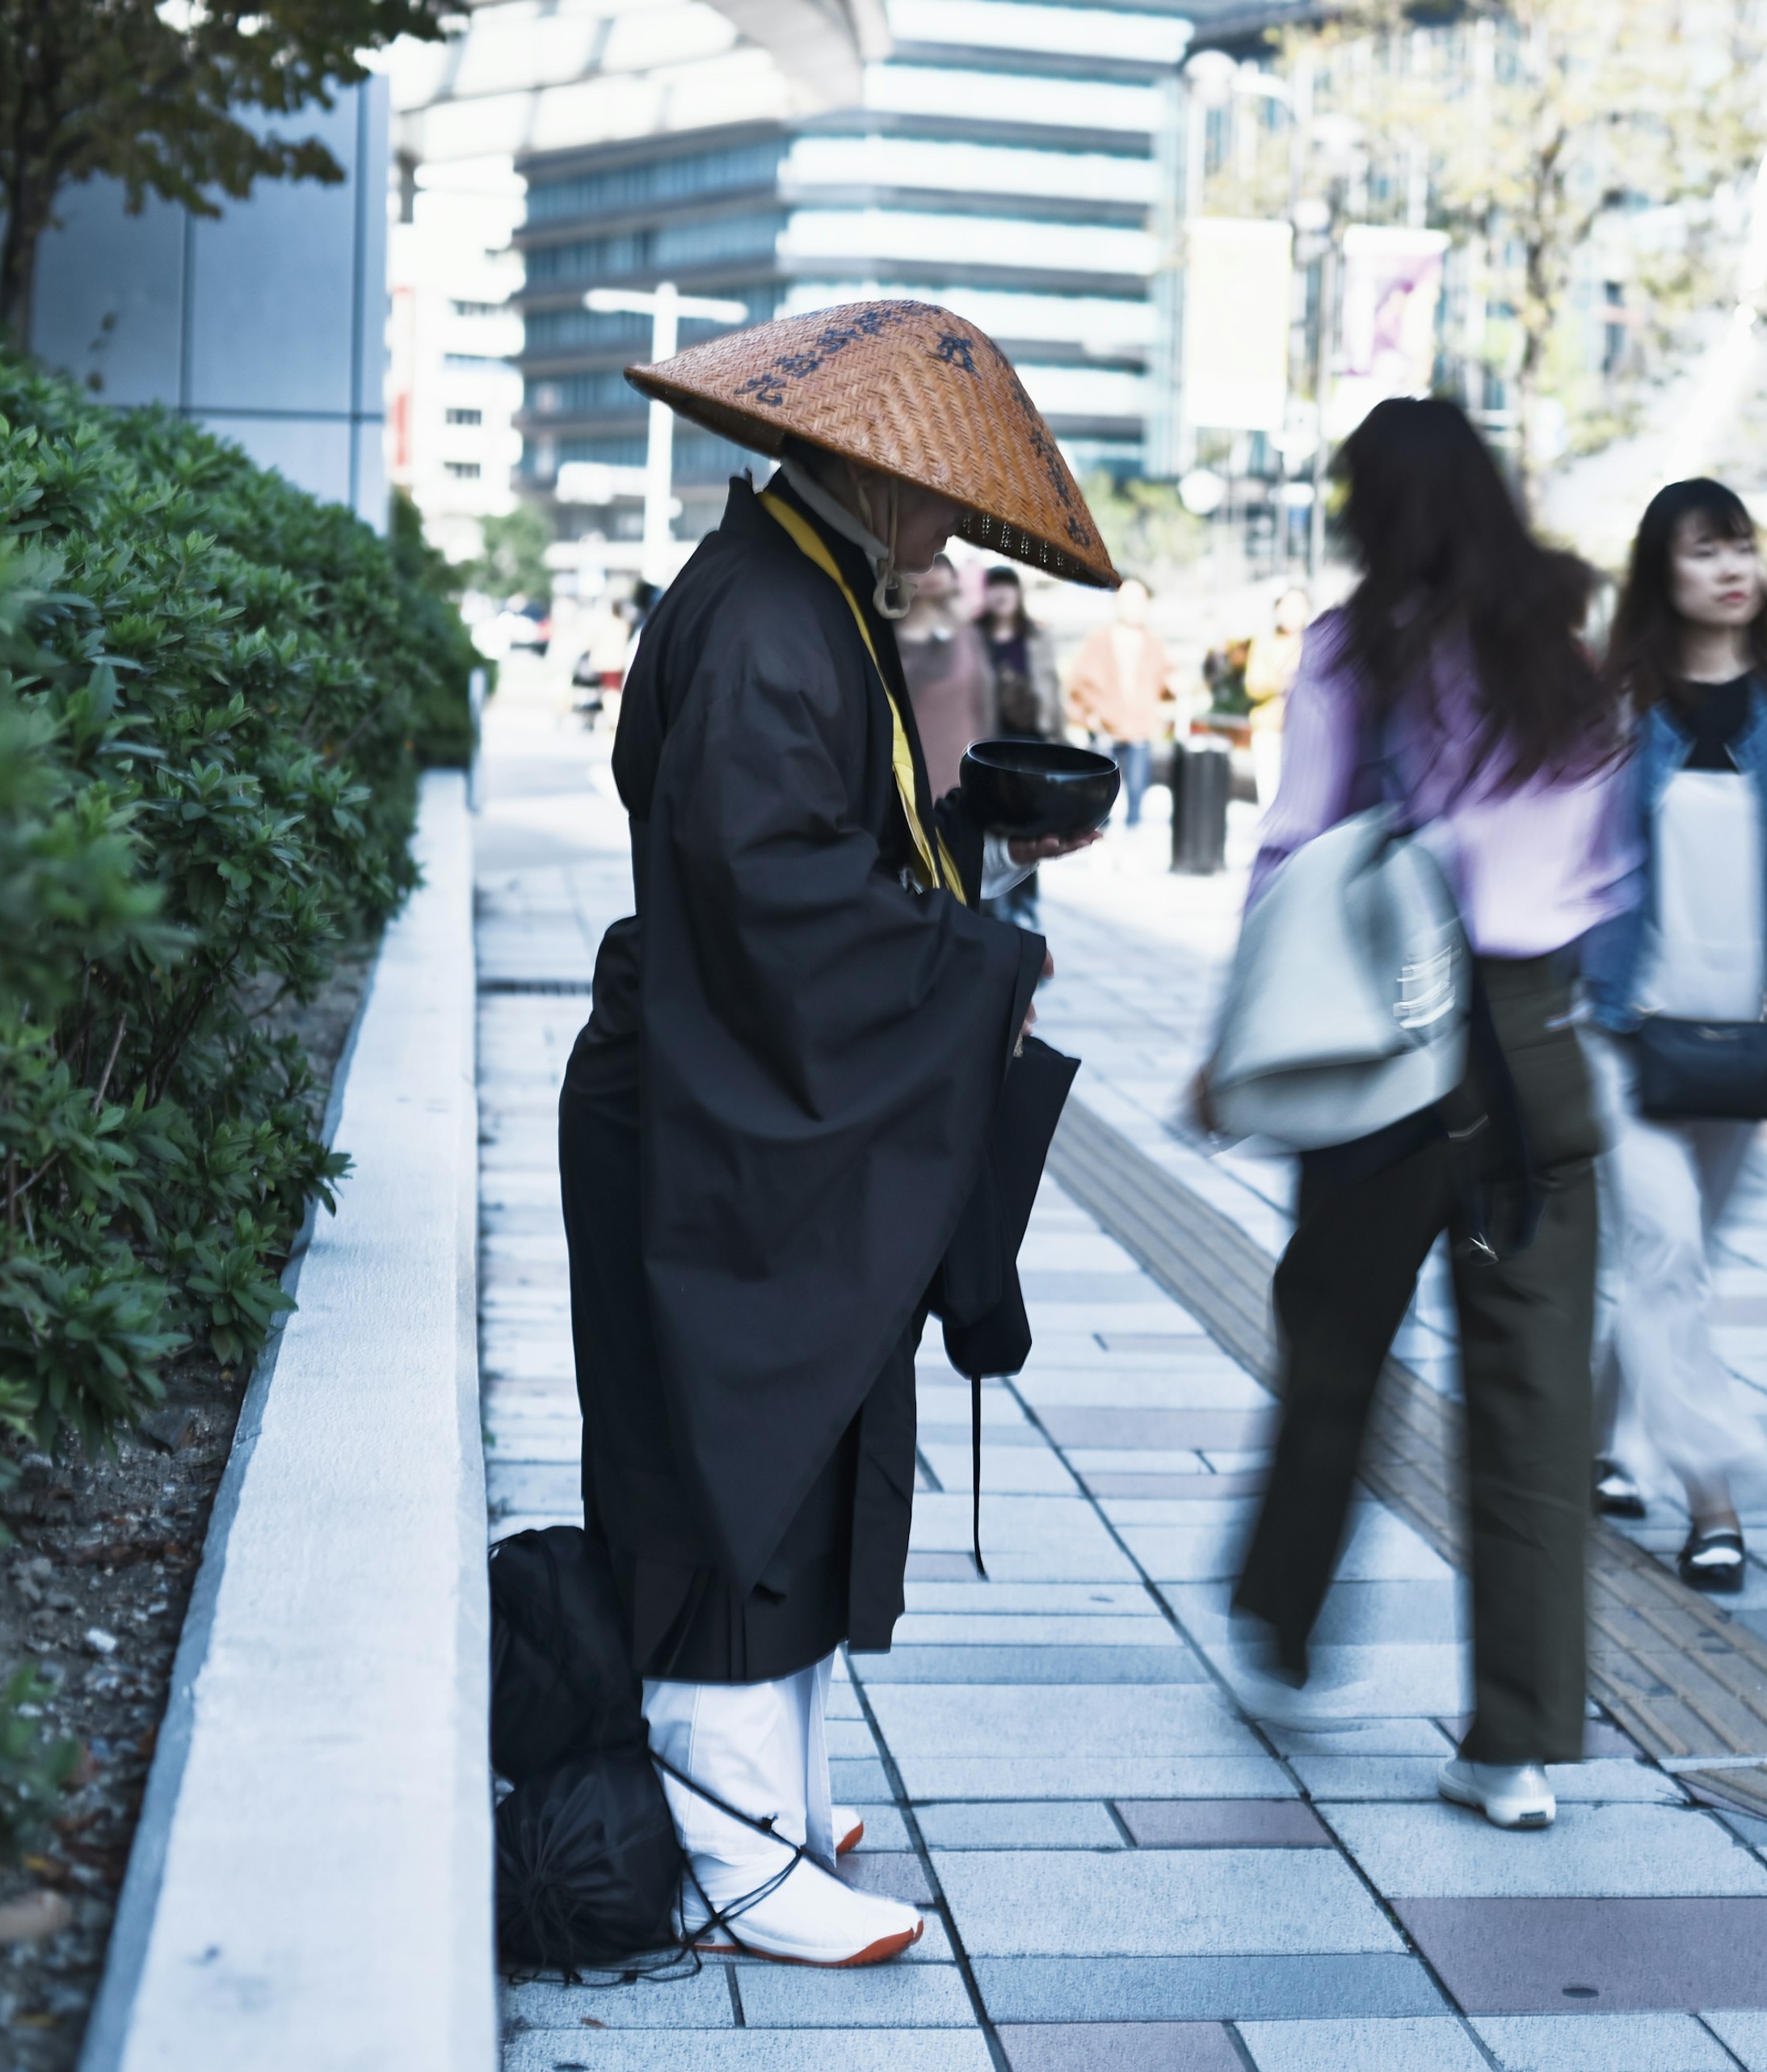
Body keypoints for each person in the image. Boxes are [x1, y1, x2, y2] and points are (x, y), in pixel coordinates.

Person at [559, 302, 1109, 1967]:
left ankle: (771, 1802)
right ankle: (728, 1844)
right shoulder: (766, 619)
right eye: (938, 497)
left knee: (789, 1448)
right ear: (874, 476)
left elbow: (806, 854)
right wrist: (979, 956)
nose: (949, 528)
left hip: (741, 1096)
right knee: (733, 1453)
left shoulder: (793, 597)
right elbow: (768, 890)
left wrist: (967, 845)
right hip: (710, 1119)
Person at [1205, 397, 1626, 1834]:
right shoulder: (1575, 656)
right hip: (1540, 1042)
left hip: (1383, 1042)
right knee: (1535, 1397)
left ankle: (1282, 1610)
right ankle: (1512, 1741)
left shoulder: (1352, 650)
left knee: (1333, 1340)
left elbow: (1292, 851)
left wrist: (1233, 1039)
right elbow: (1608, 867)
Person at [1577, 479, 1767, 1590]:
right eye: (1705, 552)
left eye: (1742, 549)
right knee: (1667, 1249)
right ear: (1662, 574)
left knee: (1666, 1265)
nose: (1733, 569)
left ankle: (1596, 1444)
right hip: (1619, 1025)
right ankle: (1714, 1496)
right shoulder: (1617, 709)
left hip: (1738, 1031)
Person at [1067, 576, 1178, 827]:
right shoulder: (1098, 639)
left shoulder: (1155, 643)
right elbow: (1078, 683)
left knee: (1138, 794)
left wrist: (1162, 714)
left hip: (1140, 732)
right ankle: (1100, 845)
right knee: (1100, 797)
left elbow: (1169, 683)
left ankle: (1132, 845)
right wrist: (1090, 717)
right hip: (1105, 732)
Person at [896, 553, 986, 786]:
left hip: (964, 769)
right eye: (924, 565)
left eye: (941, 564)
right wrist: (937, 641)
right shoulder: (887, 638)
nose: (931, 573)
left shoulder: (969, 635)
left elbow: (984, 704)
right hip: (908, 771)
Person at [974, 565, 1058, 742]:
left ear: (1019, 593)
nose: (1001, 593)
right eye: (994, 586)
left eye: (1008, 586)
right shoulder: (972, 638)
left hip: (1034, 739)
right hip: (987, 740)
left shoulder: (1037, 637)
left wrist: (1059, 736)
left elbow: (1052, 690)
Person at [1245, 584, 1312, 806]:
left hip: (1305, 733)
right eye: (1287, 606)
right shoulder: (1265, 643)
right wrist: (1285, 678)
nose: (1291, 612)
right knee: (1270, 798)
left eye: (1297, 606)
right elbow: (1253, 684)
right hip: (1270, 730)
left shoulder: (1316, 643)